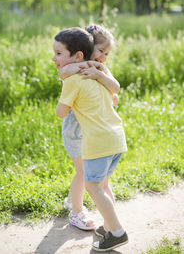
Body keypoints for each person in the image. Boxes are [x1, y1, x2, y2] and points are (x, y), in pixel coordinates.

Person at [52, 27, 128, 252]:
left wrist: (99, 72)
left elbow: (115, 88)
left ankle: (112, 228)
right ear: (84, 49)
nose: (103, 57)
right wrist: (86, 66)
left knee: (93, 179)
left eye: (107, 54)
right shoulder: (75, 69)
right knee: (91, 177)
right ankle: (81, 211)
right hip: (84, 131)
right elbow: (64, 72)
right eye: (101, 51)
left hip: (95, 133)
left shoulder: (99, 69)